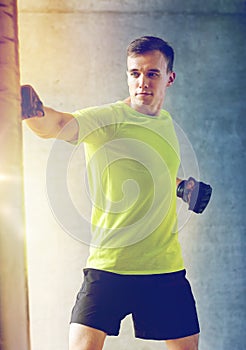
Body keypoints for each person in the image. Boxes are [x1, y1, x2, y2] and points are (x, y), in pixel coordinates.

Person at [22, 36, 212, 350]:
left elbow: (152, 168)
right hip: (110, 265)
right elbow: (57, 124)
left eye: (152, 73)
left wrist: (180, 187)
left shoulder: (166, 123)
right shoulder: (108, 119)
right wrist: (32, 112)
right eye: (135, 73)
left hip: (163, 267)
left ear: (169, 78)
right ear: (127, 76)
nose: (142, 82)